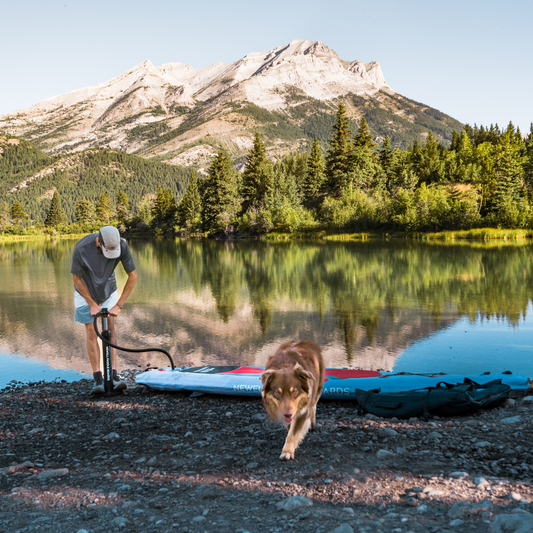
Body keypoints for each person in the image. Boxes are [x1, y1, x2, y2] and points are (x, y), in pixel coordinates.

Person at [71, 226, 137, 394]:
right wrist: (92, 303)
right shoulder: (81, 248)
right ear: (98, 241)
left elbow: (133, 276)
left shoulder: (121, 245)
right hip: (85, 291)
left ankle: (114, 376)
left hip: (108, 290)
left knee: (110, 330)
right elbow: (77, 278)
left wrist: (119, 304)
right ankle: (98, 379)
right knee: (92, 332)